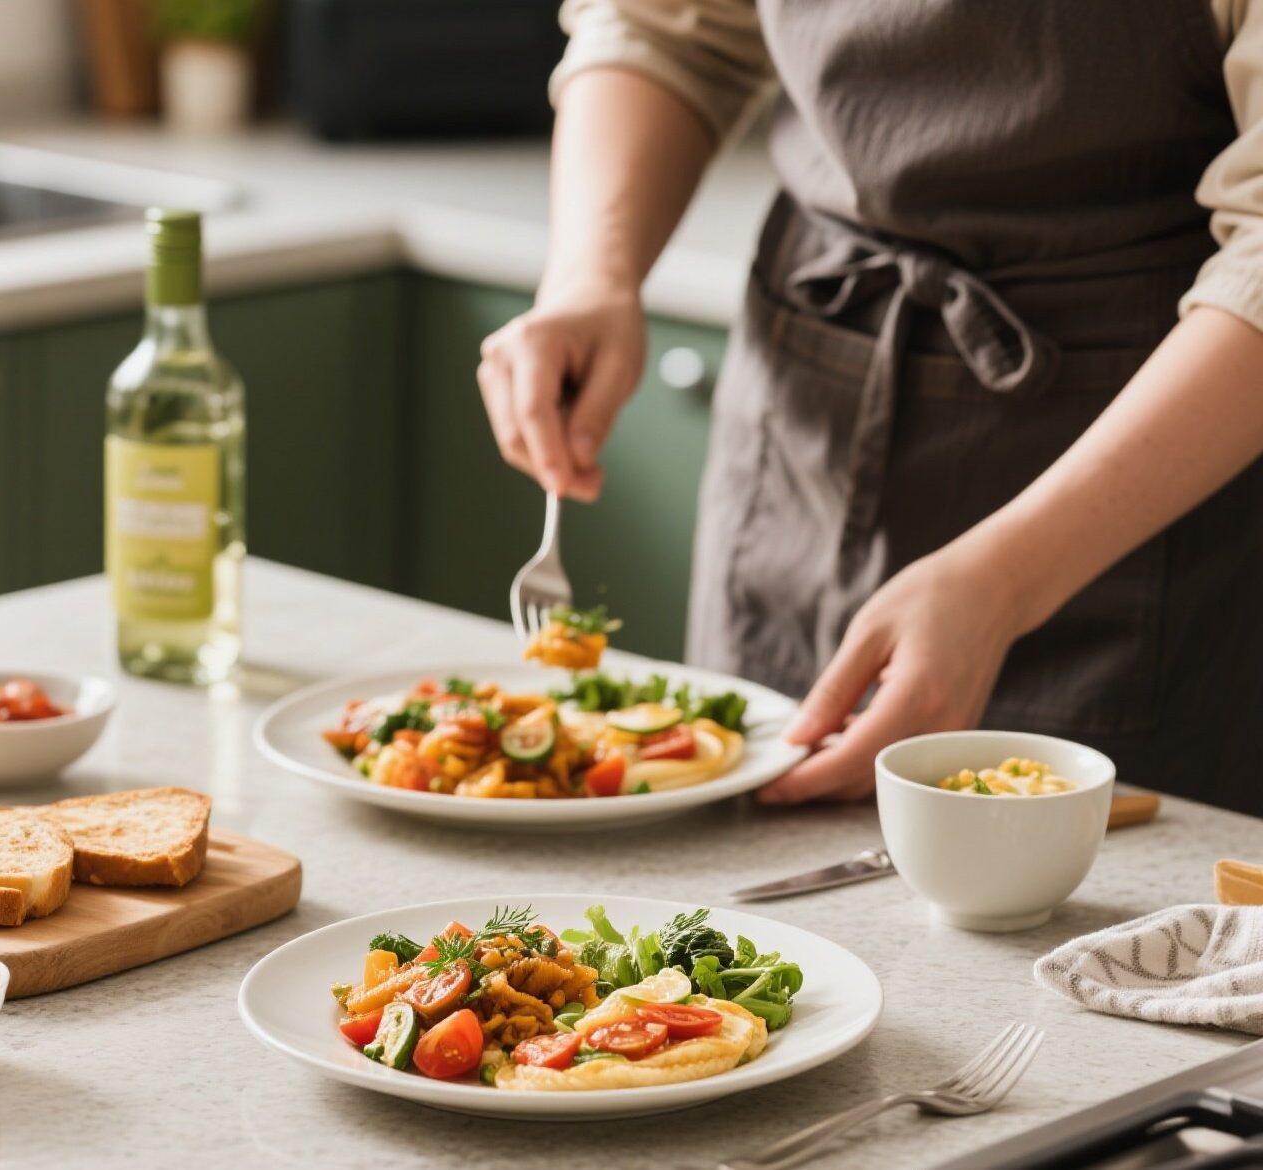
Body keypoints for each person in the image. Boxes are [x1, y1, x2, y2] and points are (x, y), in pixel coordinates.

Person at [476, 0, 1263, 816]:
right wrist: (591, 277)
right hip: (805, 414)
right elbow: (664, 27)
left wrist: (1009, 581)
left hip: (1136, 474)